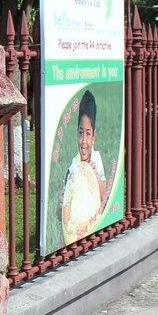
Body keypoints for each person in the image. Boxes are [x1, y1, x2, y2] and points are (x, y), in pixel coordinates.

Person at [57, 89, 107, 241]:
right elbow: (60, 217)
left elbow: (105, 199)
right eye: (80, 133)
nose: (84, 141)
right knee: (62, 233)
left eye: (88, 133)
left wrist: (96, 176)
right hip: (74, 232)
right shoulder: (73, 168)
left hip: (91, 227)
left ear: (94, 136)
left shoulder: (96, 160)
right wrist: (60, 205)